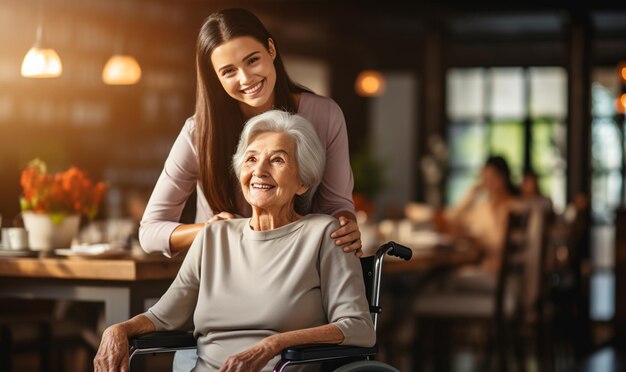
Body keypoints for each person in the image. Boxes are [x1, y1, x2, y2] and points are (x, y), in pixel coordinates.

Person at [93, 110, 376, 372]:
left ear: (303, 181)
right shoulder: (214, 235)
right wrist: (117, 330)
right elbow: (163, 316)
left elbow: (359, 328)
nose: (260, 171)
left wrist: (275, 344)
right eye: (251, 159)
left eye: (277, 160)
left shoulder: (325, 234)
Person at [139, 8, 362, 260]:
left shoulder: (325, 115)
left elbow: (337, 207)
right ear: (216, 78)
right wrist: (211, 231)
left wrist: (346, 225)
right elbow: (150, 231)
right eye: (228, 71)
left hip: (297, 268)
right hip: (222, 272)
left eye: (252, 60)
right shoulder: (199, 133)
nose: (246, 78)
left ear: (271, 49)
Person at [443, 155, 520, 274]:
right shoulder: (482, 209)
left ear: (503, 177)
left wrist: (479, 239)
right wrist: (471, 195)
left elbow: (500, 244)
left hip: (501, 273)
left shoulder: (514, 207)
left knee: (444, 281)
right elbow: (450, 219)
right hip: (483, 268)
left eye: (492, 177)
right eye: (485, 178)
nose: (488, 182)